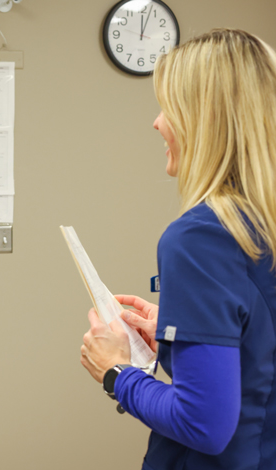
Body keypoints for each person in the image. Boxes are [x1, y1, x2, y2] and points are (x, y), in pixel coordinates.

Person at [80, 29, 276, 470]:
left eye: (169, 108)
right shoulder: (262, 226)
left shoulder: (201, 238)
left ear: (204, 121)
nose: (157, 123)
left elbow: (203, 424)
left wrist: (117, 372)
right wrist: (176, 335)